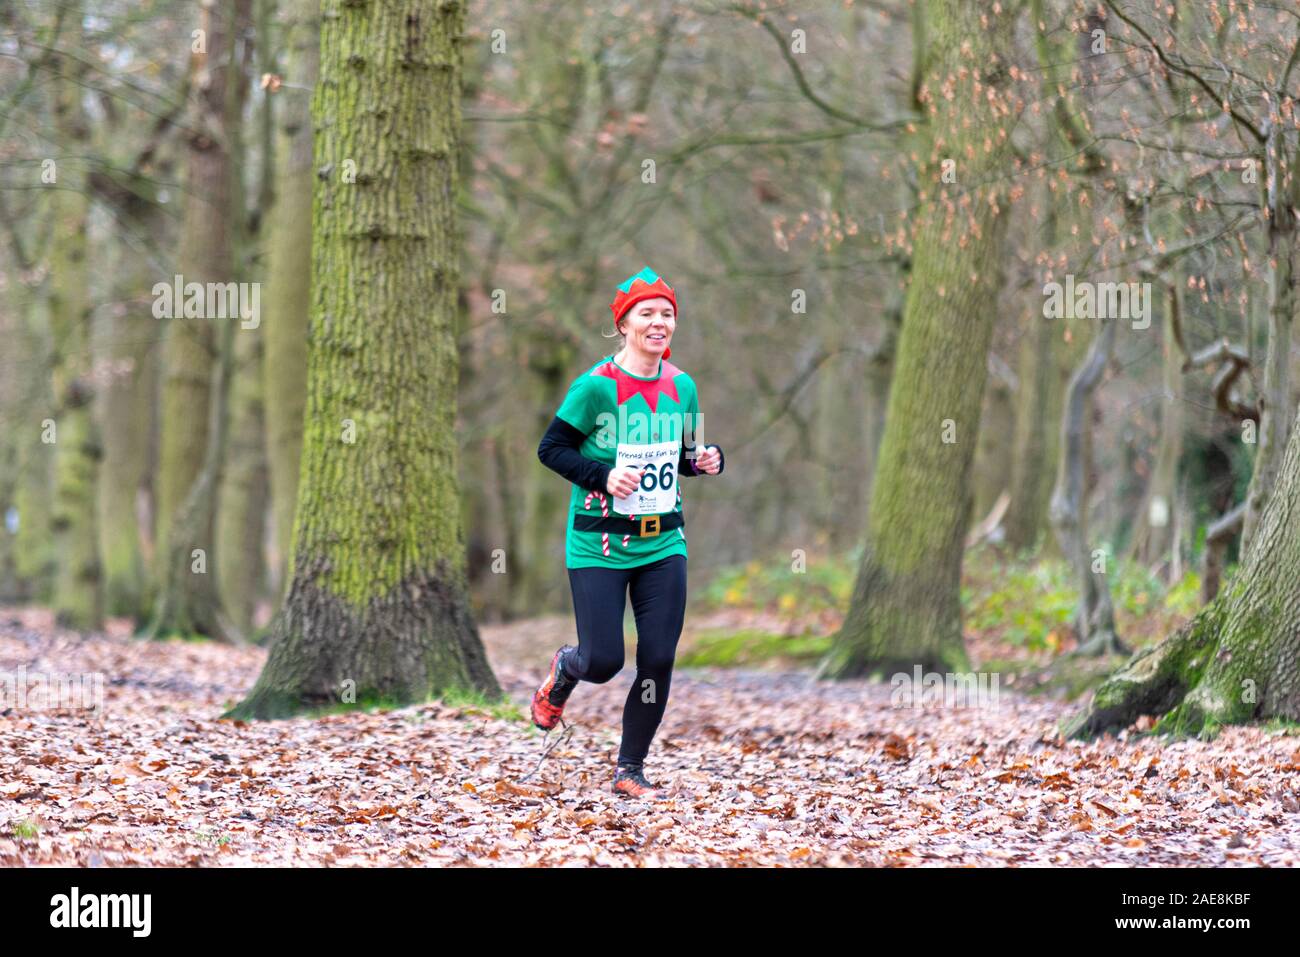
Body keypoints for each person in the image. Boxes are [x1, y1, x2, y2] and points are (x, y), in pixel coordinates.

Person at [531, 266, 725, 800]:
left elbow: (683, 453)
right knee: (604, 660)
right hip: (598, 541)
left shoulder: (682, 385)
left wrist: (707, 459)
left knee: (658, 657)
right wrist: (603, 475)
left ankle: (630, 769)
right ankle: (565, 669)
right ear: (625, 324)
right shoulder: (594, 388)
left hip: (664, 542)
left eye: (667, 314)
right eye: (648, 314)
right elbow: (551, 449)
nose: (659, 322)